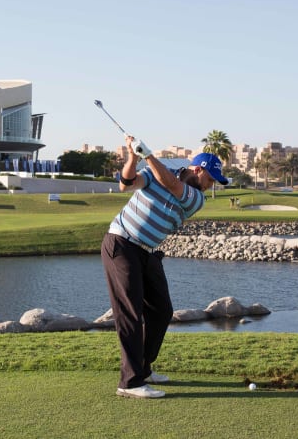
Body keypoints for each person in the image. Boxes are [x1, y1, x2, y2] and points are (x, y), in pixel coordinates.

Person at [101, 134, 228, 399]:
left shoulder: (196, 198)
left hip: (147, 251)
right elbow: (126, 184)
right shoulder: (158, 172)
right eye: (210, 178)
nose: (210, 185)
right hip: (122, 244)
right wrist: (134, 157)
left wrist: (147, 154)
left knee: (161, 311)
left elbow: (171, 185)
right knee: (131, 314)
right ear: (198, 170)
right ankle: (130, 382)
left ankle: (143, 369)